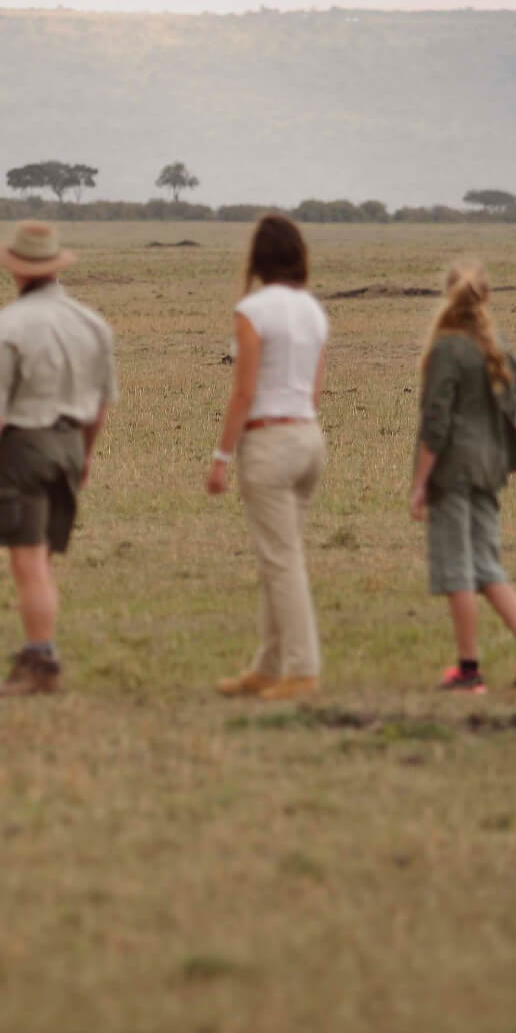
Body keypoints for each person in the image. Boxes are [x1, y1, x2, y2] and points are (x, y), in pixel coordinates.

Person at [0, 221, 117, 695]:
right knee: (43, 556)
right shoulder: (93, 324)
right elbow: (100, 405)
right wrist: (85, 455)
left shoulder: (7, 325)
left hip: (25, 446)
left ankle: (40, 661)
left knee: (27, 561)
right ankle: (40, 649)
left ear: (16, 270)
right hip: (71, 443)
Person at [410, 262, 516, 693]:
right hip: (490, 467)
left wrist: (421, 483)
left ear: (447, 297)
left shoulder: (446, 348)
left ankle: (469, 670)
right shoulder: (497, 346)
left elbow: (435, 422)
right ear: (485, 298)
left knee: (457, 568)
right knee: (485, 563)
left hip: (454, 470)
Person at [207, 214, 328, 701]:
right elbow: (315, 390)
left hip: (270, 444)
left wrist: (221, 455)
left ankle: (302, 670)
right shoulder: (313, 311)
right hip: (308, 439)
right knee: (280, 557)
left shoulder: (252, 309)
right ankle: (268, 665)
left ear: (257, 257)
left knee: (281, 561)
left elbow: (244, 392)